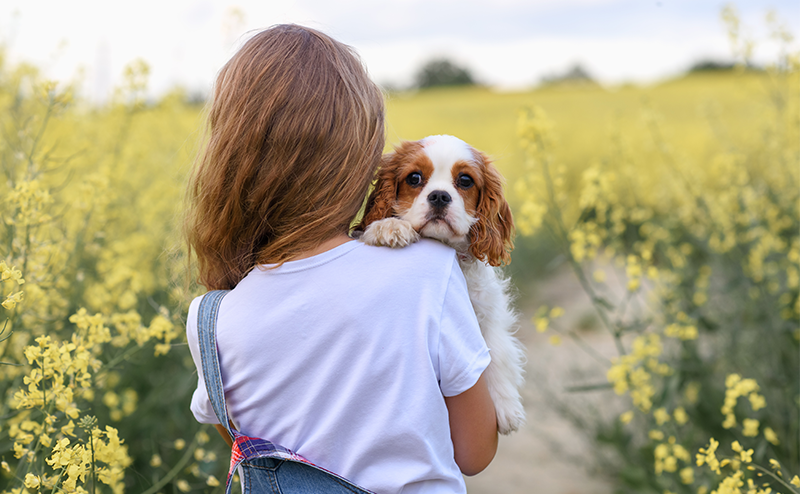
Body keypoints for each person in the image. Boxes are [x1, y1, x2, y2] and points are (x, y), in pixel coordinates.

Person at [184, 24, 497, 494]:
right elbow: (475, 451)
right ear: (363, 166)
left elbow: (242, 443)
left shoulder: (209, 320)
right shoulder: (428, 271)